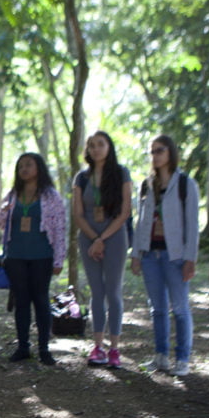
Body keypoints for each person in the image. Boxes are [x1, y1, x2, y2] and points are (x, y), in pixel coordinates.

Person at [130, 136, 200, 376]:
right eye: (152, 152)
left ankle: (182, 358)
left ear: (170, 152)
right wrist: (136, 253)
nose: (155, 155)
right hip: (151, 254)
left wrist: (190, 258)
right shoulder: (147, 185)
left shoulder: (184, 184)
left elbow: (192, 224)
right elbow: (141, 221)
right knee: (157, 309)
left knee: (180, 308)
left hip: (175, 256)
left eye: (160, 150)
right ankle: (161, 356)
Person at [0, 153, 66, 365]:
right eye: (21, 166)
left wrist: (59, 259)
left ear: (39, 168)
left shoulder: (50, 196)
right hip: (16, 256)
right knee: (21, 301)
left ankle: (44, 348)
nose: (24, 169)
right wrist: (4, 211)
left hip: (42, 256)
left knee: (41, 300)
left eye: (29, 165)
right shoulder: (12, 195)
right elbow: (1, 224)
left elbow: (60, 228)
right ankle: (23, 347)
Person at [71, 131, 132, 368]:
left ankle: (115, 348)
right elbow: (78, 214)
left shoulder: (121, 173)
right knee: (97, 292)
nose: (96, 149)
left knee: (113, 292)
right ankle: (98, 347)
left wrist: (103, 238)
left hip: (115, 238)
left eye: (100, 144)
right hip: (88, 238)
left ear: (109, 147)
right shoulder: (81, 178)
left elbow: (124, 212)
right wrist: (94, 238)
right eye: (91, 145)